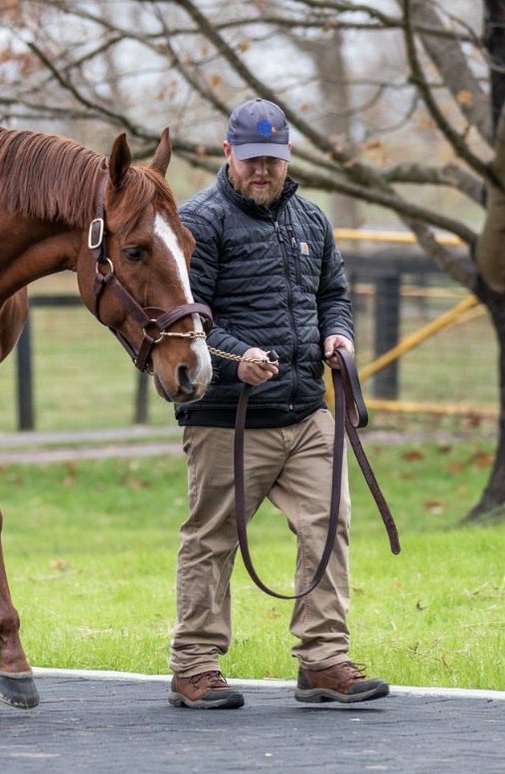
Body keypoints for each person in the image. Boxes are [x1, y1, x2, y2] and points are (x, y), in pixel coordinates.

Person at [167, 98, 389, 709]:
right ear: (227, 153)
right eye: (252, 160)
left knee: (328, 526)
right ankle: (194, 666)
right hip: (227, 419)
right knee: (211, 539)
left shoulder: (312, 219)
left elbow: (333, 294)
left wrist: (337, 335)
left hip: (306, 411)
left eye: (274, 161)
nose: (263, 172)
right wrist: (239, 357)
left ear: (288, 158)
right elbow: (189, 318)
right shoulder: (199, 223)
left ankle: (323, 660)